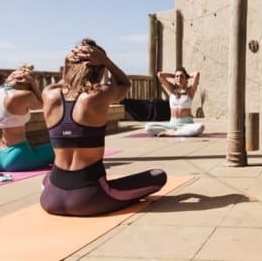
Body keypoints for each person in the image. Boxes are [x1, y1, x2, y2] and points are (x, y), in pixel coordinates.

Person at [40, 38, 167, 216]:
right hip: (88, 198)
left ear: (69, 65)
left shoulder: (49, 93)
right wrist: (106, 61)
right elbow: (124, 84)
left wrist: (68, 60)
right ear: (100, 69)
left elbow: (65, 82)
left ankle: (60, 192)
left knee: (48, 178)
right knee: (158, 175)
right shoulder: (99, 95)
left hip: (50, 198)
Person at [0, 63, 54, 172]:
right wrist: (34, 85)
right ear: (27, 86)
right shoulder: (24, 95)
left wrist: (7, 82)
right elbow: (44, 104)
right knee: (58, 147)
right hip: (15, 157)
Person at [144, 67, 204, 137]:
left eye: (182, 76)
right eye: (177, 76)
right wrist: (174, 76)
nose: (179, 78)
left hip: (186, 124)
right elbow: (160, 75)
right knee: (148, 127)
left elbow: (197, 74)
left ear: (186, 79)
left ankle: (172, 133)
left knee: (200, 127)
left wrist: (187, 76)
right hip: (172, 124)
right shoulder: (172, 90)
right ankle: (177, 132)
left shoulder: (190, 91)